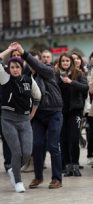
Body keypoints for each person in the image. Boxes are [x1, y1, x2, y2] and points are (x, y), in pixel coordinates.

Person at [14, 42, 64, 189]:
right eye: (30, 62)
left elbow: (38, 66)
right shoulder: (27, 77)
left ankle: (57, 178)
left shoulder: (48, 70)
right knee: (36, 145)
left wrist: (24, 53)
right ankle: (38, 177)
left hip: (54, 112)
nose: (32, 64)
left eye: (35, 61)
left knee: (53, 146)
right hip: (38, 115)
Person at [0, 45, 41, 192]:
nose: (15, 69)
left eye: (17, 66)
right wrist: (8, 50)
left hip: (24, 120)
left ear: (22, 68)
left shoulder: (28, 80)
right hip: (8, 119)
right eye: (12, 67)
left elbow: (37, 97)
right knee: (16, 152)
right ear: (9, 68)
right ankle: (18, 181)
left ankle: (13, 170)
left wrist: (32, 113)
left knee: (27, 153)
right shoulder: (4, 79)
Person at [57, 52, 88, 177]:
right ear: (60, 62)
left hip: (75, 111)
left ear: (71, 62)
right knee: (63, 139)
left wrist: (71, 82)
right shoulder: (56, 75)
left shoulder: (79, 74)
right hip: (61, 112)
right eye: (63, 61)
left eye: (67, 61)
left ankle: (75, 165)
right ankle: (67, 166)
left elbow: (85, 88)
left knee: (74, 138)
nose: (65, 63)